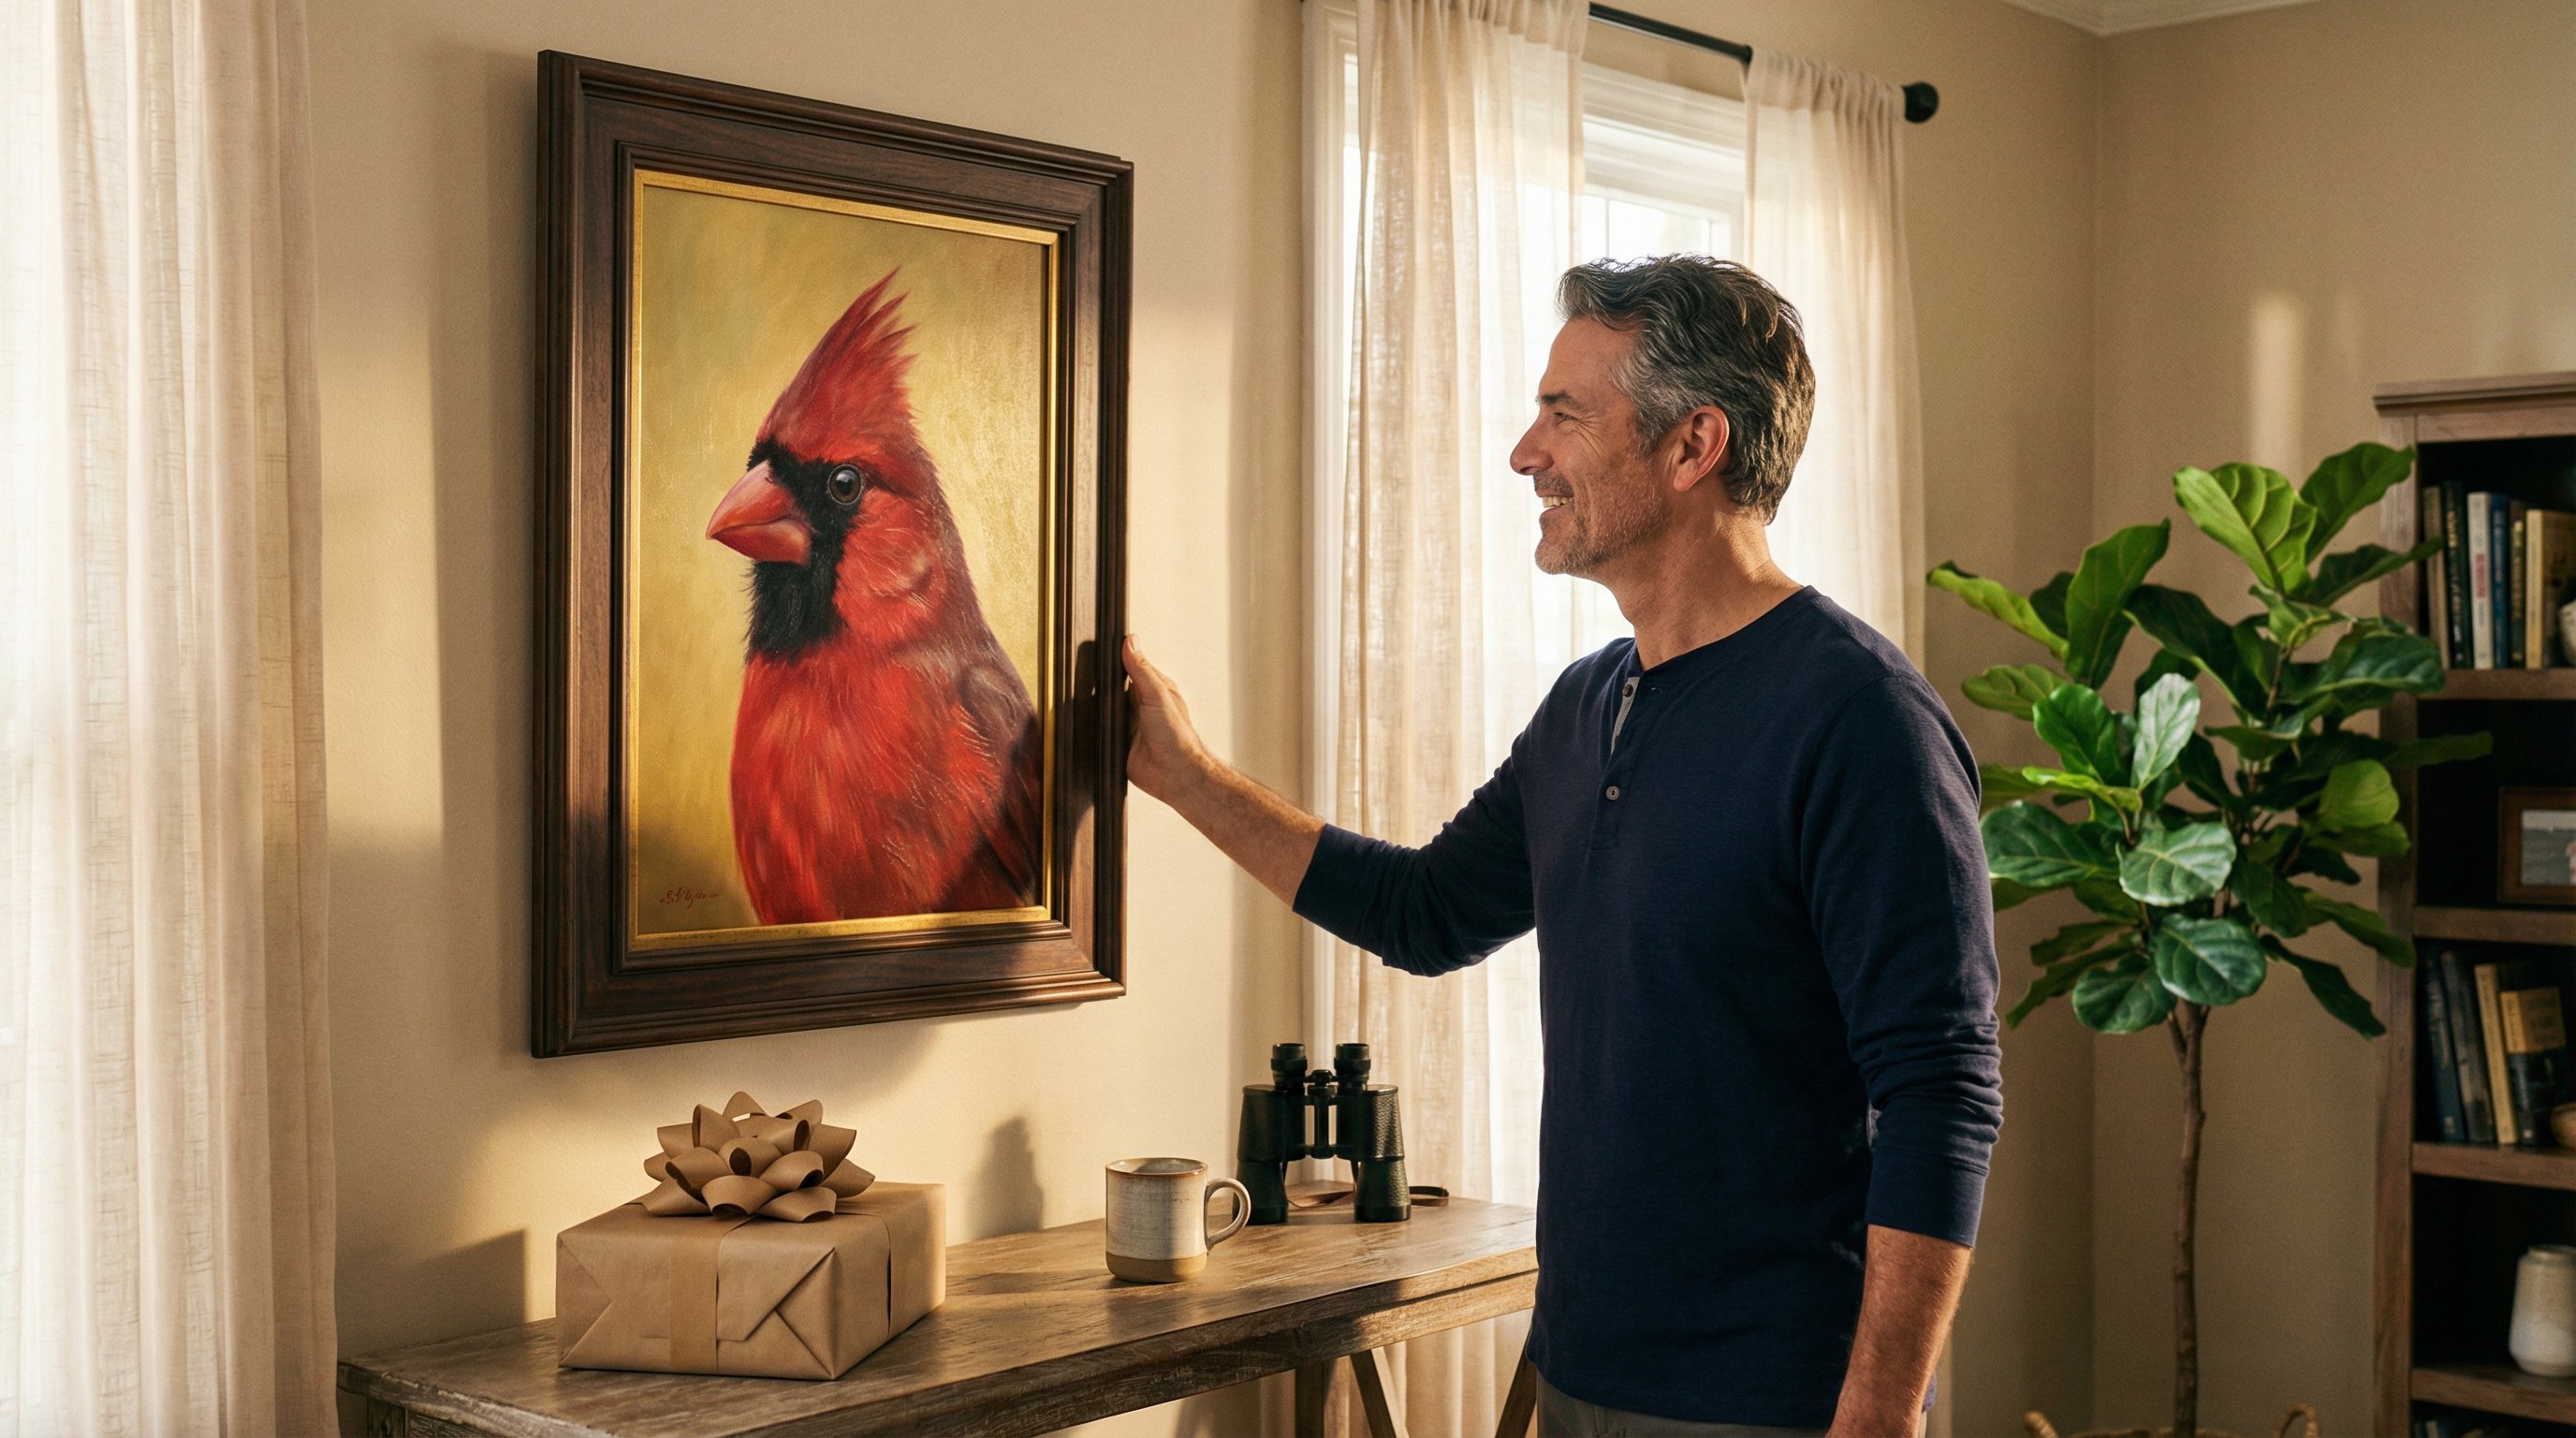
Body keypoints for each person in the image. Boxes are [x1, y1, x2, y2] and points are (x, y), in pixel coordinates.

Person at [1121, 256, 2002, 1438]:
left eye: (1564, 414)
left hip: (1773, 1398)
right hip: (1582, 1367)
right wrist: (1184, 776)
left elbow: (1940, 1089)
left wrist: (1879, 1416)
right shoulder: (1588, 705)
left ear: (1692, 447)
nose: (1524, 453)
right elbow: (1425, 913)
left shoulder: (1860, 722)